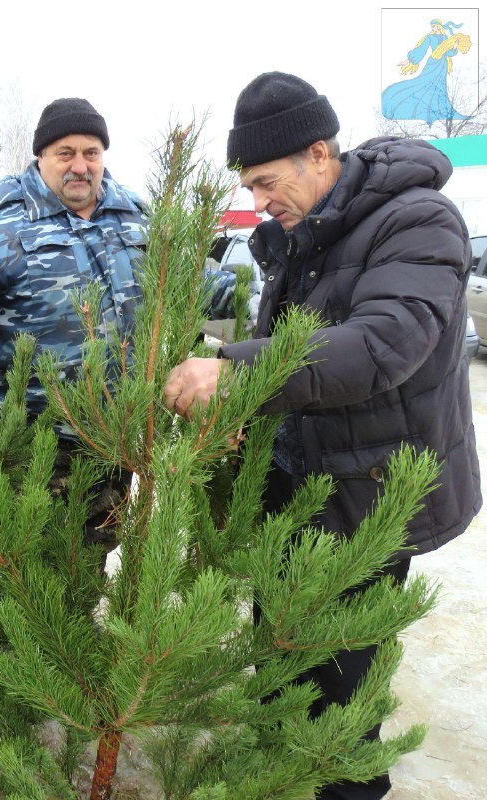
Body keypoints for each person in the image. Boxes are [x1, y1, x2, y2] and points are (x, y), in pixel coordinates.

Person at [164, 71, 481, 800]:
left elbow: (381, 345)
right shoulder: (301, 235)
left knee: (341, 713)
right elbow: (299, 354)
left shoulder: (419, 221)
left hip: (367, 501)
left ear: (319, 153)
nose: (258, 202)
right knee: (281, 678)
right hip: (296, 496)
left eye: (266, 181)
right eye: (248, 186)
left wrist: (235, 374)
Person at [0, 97, 238, 551]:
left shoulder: (131, 212)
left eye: (91, 153)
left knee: (91, 561)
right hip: (34, 440)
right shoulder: (5, 217)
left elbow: (187, 275)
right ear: (41, 157)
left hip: (113, 430)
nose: (80, 166)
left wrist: (244, 289)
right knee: (33, 574)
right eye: (65, 153)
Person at [381, 18, 473, 126]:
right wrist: (409, 61)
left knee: (439, 86)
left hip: (442, 65)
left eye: (435, 26)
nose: (433, 28)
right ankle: (411, 103)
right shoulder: (430, 37)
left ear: (439, 26)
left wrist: (455, 46)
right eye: (432, 27)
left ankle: (437, 108)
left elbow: (450, 53)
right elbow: (421, 50)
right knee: (422, 82)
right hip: (433, 62)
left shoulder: (445, 38)